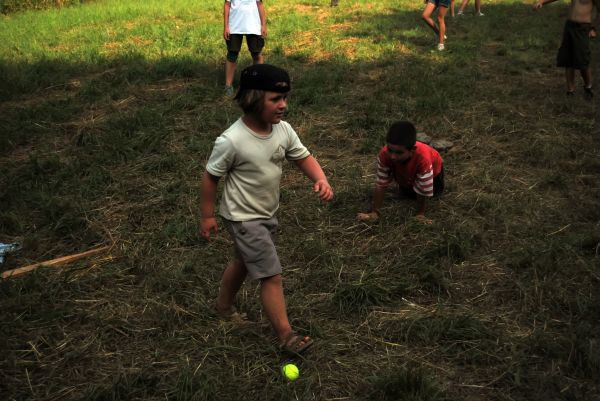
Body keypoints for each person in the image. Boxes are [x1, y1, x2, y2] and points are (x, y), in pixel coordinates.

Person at [200, 64, 334, 354]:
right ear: (253, 98)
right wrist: (207, 215)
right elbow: (211, 176)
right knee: (271, 274)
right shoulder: (232, 140)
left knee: (243, 261)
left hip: (264, 213)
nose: (283, 105)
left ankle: (223, 306)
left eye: (285, 98)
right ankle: (287, 336)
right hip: (243, 217)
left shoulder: (282, 130)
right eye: (275, 99)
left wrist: (320, 178)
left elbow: (302, 157)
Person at [356, 121, 444, 224]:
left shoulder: (423, 160)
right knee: (407, 193)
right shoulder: (384, 154)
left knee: (431, 194)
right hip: (406, 171)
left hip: (434, 173)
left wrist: (420, 214)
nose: (393, 156)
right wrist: (375, 212)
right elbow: (381, 184)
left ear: (412, 150)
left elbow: (423, 190)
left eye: (399, 152)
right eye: (390, 150)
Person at [534, 0, 599, 98]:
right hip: (569, 26)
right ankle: (570, 91)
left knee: (582, 60)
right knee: (568, 59)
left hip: (582, 28)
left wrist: (594, 28)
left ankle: (588, 87)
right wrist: (542, 2)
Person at [223, 0, 267, 96]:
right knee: (232, 53)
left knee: (256, 54)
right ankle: (228, 85)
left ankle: (258, 85)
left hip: (253, 25)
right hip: (234, 25)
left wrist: (263, 25)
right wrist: (226, 26)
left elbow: (260, 4)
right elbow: (227, 5)